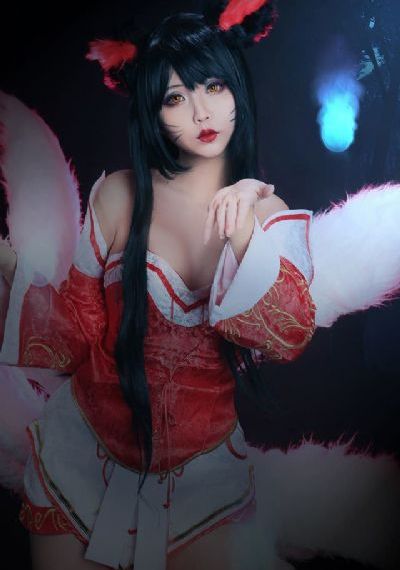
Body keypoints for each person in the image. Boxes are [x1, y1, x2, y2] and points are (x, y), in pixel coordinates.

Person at [0, 3, 320, 569]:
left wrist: (244, 232)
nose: (202, 111)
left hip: (203, 478)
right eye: (175, 97)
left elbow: (288, 337)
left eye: (214, 86)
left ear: (237, 89)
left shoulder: (270, 215)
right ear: (152, 111)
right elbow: (76, 336)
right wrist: (7, 267)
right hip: (82, 455)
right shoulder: (119, 195)